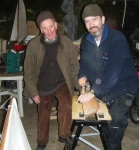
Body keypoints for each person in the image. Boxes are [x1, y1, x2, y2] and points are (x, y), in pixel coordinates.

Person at [77, 4, 139, 150]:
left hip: (124, 87)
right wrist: (83, 76)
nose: (91, 25)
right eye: (87, 21)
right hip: (103, 88)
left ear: (103, 19)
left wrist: (92, 93)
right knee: (105, 122)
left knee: (116, 119)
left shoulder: (117, 39)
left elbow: (114, 73)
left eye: (94, 19)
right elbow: (85, 64)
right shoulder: (86, 41)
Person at [23, 11, 79, 150]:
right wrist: (34, 92)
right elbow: (28, 72)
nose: (49, 31)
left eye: (51, 26)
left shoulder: (66, 42)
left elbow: (74, 67)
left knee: (66, 105)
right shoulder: (33, 45)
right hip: (43, 84)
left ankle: (64, 135)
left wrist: (79, 87)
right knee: (43, 115)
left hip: (62, 82)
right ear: (41, 30)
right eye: (45, 28)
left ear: (55, 25)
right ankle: (42, 142)